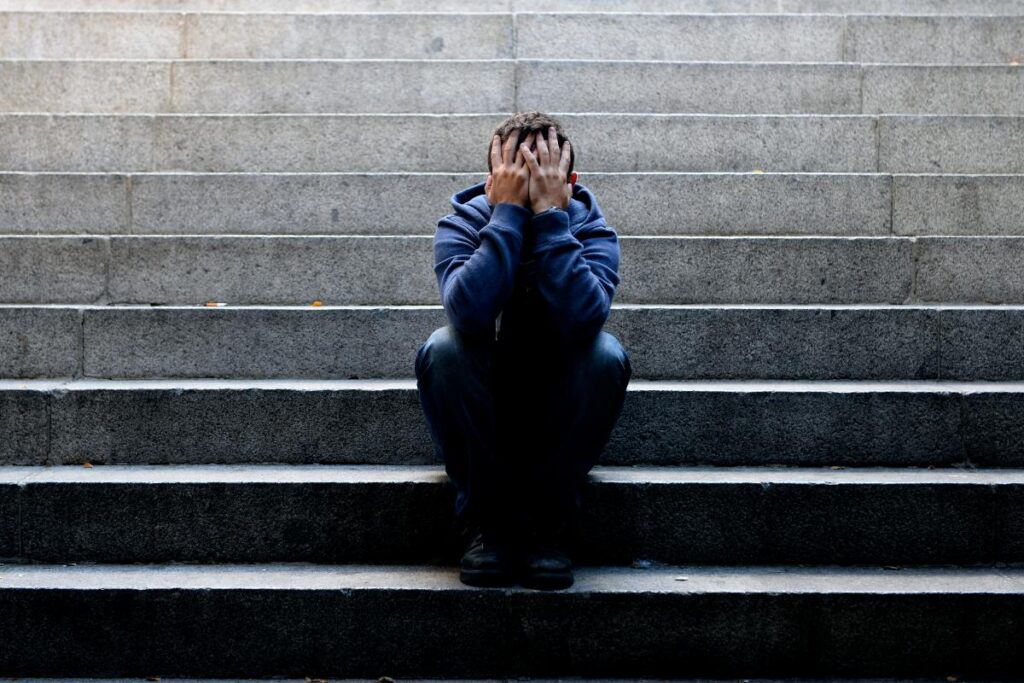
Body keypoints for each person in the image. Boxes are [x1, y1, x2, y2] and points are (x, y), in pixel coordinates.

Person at [414, 111, 632, 590]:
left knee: (606, 355)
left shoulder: (591, 230)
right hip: (484, 411)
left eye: (543, 177)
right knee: (443, 348)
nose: (531, 188)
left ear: (569, 182)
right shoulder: (463, 223)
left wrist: (552, 219)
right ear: (492, 181)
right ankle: (487, 522)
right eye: (517, 176)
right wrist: (507, 215)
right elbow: (468, 314)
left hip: (555, 409)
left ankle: (545, 524)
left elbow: (584, 320)